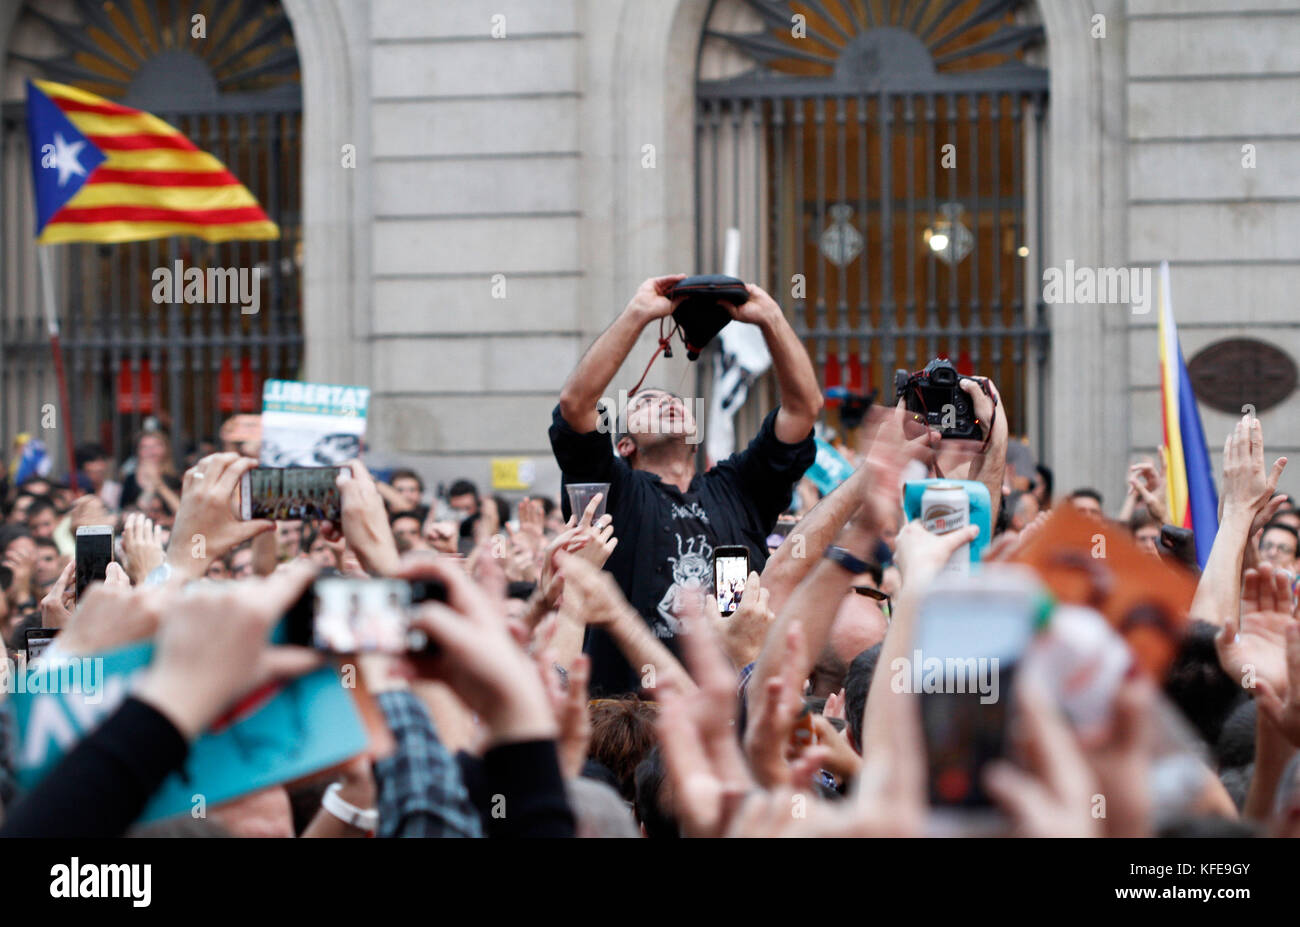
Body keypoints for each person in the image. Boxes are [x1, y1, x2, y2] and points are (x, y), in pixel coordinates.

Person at [550, 275, 821, 694]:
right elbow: (576, 404)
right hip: (628, 727)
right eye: (649, 404)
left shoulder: (739, 488)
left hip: (729, 719)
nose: (669, 402)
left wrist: (770, 317)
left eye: (673, 400)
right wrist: (640, 312)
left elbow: (803, 411)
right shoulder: (613, 493)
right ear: (625, 444)